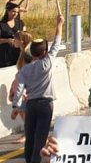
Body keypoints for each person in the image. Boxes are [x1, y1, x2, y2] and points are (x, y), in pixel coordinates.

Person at [11, 13, 63, 163]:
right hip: (45, 105)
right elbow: (56, 44)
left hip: (30, 105)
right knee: (40, 140)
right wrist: (59, 25)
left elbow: (19, 89)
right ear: (44, 53)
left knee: (30, 138)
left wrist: (16, 106)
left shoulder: (23, 70)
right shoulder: (46, 64)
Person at [1, 1, 26, 68]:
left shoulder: (20, 23)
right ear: (7, 11)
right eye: (13, 11)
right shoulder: (1, 24)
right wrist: (7, 40)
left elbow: (25, 36)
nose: (16, 14)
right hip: (4, 56)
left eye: (17, 12)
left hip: (18, 55)